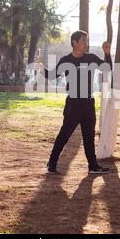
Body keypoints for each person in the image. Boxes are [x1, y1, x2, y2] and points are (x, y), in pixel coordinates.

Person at [40, 30, 112, 174]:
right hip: (73, 103)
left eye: (87, 40)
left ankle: (93, 166)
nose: (86, 43)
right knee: (64, 135)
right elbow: (52, 75)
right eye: (83, 40)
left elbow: (107, 68)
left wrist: (107, 53)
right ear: (74, 43)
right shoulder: (66, 60)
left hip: (88, 103)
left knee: (89, 136)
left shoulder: (91, 58)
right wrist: (41, 68)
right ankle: (52, 163)